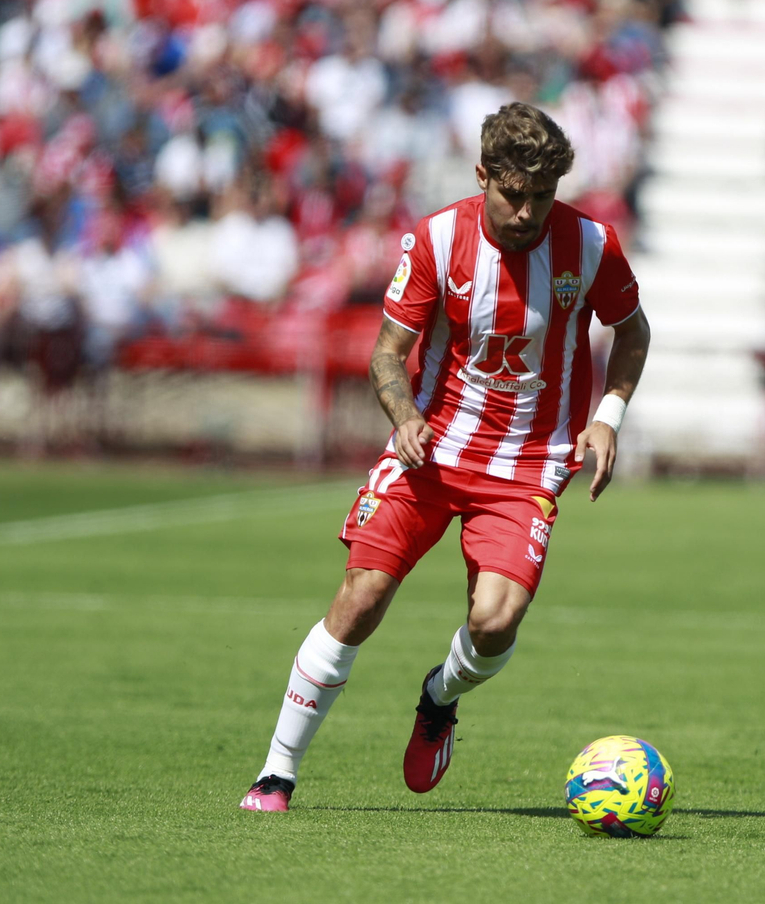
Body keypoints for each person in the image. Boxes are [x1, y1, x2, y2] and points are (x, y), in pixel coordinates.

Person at [241, 103, 652, 812]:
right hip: (430, 451)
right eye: (513, 195)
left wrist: (607, 418)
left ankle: (439, 698)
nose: (526, 213)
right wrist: (403, 418)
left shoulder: (590, 245)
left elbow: (633, 332)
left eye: (542, 198)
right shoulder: (436, 240)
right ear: (482, 175)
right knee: (361, 596)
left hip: (528, 464)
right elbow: (387, 356)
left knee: (495, 623)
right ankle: (276, 773)